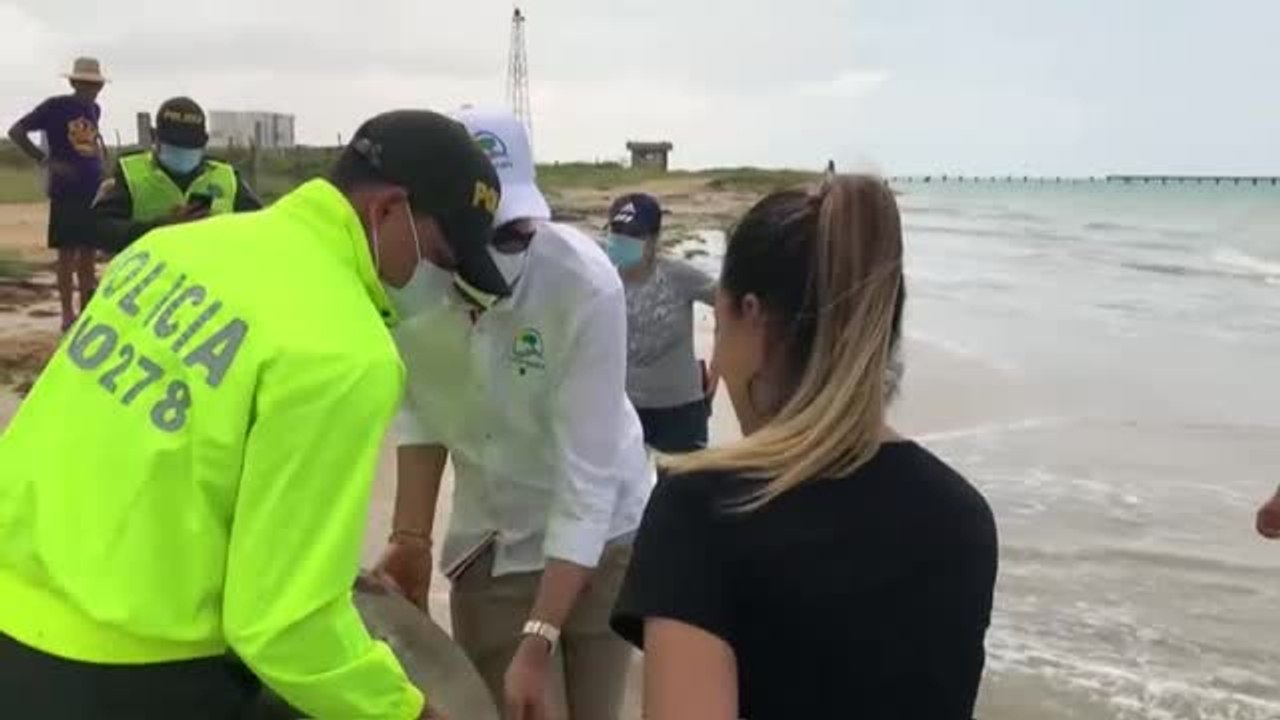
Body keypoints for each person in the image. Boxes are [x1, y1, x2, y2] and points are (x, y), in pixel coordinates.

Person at [0, 109, 506, 720]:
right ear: (388, 211)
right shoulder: (344, 349)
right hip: (131, 674)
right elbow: (282, 627)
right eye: (446, 261)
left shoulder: (168, 249)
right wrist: (407, 711)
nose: (443, 288)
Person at [611, 176, 999, 720]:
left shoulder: (700, 510)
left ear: (752, 316)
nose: (718, 361)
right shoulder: (964, 520)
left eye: (719, 331)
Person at [374, 108, 652, 720]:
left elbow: (589, 479)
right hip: (497, 540)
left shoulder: (584, 283)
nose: (500, 254)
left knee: (593, 708)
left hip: (608, 533)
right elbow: (420, 407)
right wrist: (411, 538)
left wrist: (542, 636)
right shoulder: (401, 284)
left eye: (515, 233)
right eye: (480, 234)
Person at [603, 192, 718, 452]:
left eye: (634, 234)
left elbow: (730, 304)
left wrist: (720, 363)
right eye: (617, 231)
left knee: (685, 488)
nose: (623, 240)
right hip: (622, 410)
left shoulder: (679, 277)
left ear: (654, 239)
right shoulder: (601, 276)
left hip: (680, 412)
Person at [7, 57, 108, 330]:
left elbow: (90, 145)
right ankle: (66, 314)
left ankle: (87, 309)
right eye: (86, 84)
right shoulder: (56, 107)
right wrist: (46, 160)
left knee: (89, 252)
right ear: (74, 83)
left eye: (96, 85)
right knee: (67, 253)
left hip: (93, 190)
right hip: (67, 191)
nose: (92, 89)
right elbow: (16, 131)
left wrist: (102, 167)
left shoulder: (95, 110)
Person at [92, 96, 261, 253]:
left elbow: (259, 228)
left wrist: (217, 229)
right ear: (154, 138)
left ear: (204, 142)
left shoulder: (227, 177)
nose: (182, 152)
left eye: (190, 146)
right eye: (174, 145)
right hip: (154, 279)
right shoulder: (131, 174)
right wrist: (159, 227)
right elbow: (99, 230)